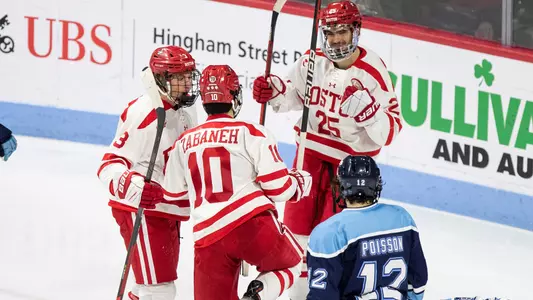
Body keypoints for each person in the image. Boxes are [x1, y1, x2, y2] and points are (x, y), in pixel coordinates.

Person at [252, 1, 402, 298]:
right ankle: (297, 293)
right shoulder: (312, 60)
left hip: (349, 167)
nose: (335, 39)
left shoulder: (373, 70)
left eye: (342, 32)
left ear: (356, 31)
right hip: (309, 153)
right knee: (296, 232)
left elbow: (392, 129)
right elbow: (294, 95)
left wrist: (370, 113)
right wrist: (275, 92)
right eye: (330, 32)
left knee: (336, 238)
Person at [162, 64, 313, 300]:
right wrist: (299, 183)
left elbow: (171, 194)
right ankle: (257, 295)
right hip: (251, 224)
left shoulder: (184, 142)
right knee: (292, 264)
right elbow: (278, 187)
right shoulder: (252, 132)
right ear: (233, 96)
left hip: (207, 236)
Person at [96, 45, 199, 300]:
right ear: (163, 79)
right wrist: (136, 188)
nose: (187, 83)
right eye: (180, 77)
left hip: (167, 210)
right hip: (142, 211)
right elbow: (108, 165)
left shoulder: (186, 109)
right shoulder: (143, 112)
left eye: (190, 76)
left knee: (147, 287)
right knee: (160, 290)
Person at [306, 155, 428, 299]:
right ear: (376, 185)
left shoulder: (328, 233)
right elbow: (418, 282)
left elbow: (323, 297)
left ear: (341, 186)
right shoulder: (402, 218)